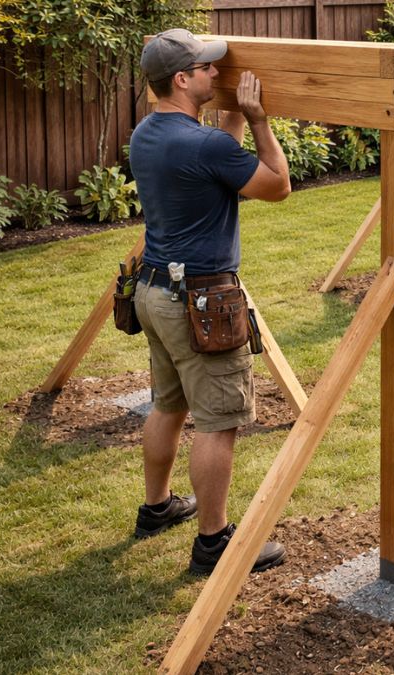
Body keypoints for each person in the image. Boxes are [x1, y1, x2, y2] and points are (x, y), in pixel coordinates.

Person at [129, 29, 291, 574]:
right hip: (199, 304)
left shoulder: (148, 133)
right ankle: (215, 542)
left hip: (154, 292)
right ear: (181, 79)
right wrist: (259, 120)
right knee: (218, 422)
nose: (217, 73)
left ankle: (157, 508)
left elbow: (214, 160)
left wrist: (232, 117)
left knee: (168, 405)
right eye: (206, 69)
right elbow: (277, 185)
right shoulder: (205, 146)